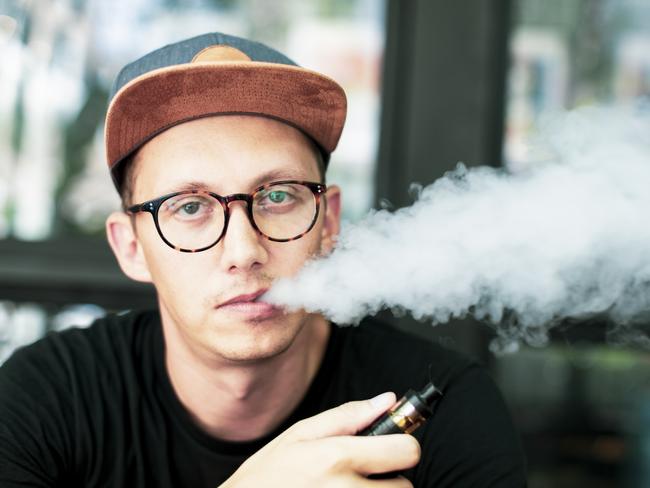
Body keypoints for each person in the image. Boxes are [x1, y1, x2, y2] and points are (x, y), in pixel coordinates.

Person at [0, 32, 526, 487]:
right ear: (130, 247)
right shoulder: (44, 399)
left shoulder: (453, 408)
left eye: (277, 197)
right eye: (189, 207)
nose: (245, 252)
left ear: (328, 222)